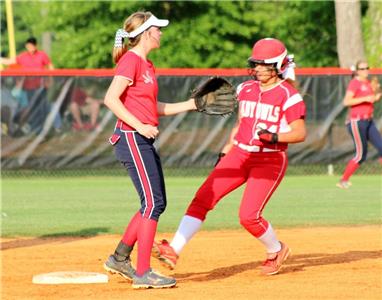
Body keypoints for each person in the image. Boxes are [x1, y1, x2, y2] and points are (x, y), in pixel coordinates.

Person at [152, 38, 307, 276]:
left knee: (248, 216)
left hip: (269, 160)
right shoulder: (245, 89)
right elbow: (240, 123)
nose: (256, 68)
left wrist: (274, 136)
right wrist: (226, 148)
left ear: (277, 66)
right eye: (254, 63)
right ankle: (173, 249)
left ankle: (276, 249)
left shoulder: (289, 95)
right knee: (203, 199)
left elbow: (299, 133)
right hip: (239, 153)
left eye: (263, 64)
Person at [102, 11, 197, 289]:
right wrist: (140, 127)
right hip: (131, 138)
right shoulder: (131, 60)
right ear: (145, 33)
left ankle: (119, 258)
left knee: (155, 202)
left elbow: (152, 108)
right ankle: (142, 272)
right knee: (153, 204)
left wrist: (191, 105)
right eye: (157, 29)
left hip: (140, 139)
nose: (161, 33)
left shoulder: (147, 65)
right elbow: (111, 98)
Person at [336, 61, 382, 189]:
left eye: (367, 68)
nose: (365, 70)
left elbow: (373, 98)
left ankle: (343, 180)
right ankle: (343, 180)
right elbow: (347, 101)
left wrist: (377, 94)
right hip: (357, 122)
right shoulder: (355, 83)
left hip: (369, 121)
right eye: (362, 69)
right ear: (357, 70)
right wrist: (365, 98)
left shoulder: (368, 83)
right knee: (361, 154)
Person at [1, 37, 55, 134]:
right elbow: (9, 61)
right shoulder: (23, 56)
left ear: (35, 46)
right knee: (33, 108)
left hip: (41, 86)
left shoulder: (42, 55)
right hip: (29, 87)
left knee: (42, 107)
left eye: (32, 46)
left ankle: (44, 129)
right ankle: (36, 129)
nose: (30, 48)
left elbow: (50, 66)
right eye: (28, 46)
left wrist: (51, 79)